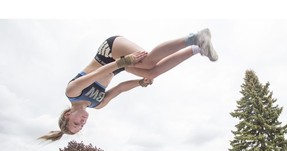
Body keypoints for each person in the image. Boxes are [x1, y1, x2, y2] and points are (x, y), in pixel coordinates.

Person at [39, 28, 218, 142]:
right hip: (119, 65)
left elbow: (97, 74)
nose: (82, 123)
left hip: (109, 52)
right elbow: (120, 88)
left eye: (76, 123)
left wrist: (124, 61)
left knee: (147, 62)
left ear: (68, 114)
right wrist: (140, 82)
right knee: (151, 73)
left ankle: (194, 38)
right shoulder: (98, 104)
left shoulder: (72, 92)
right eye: (81, 126)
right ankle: (198, 49)